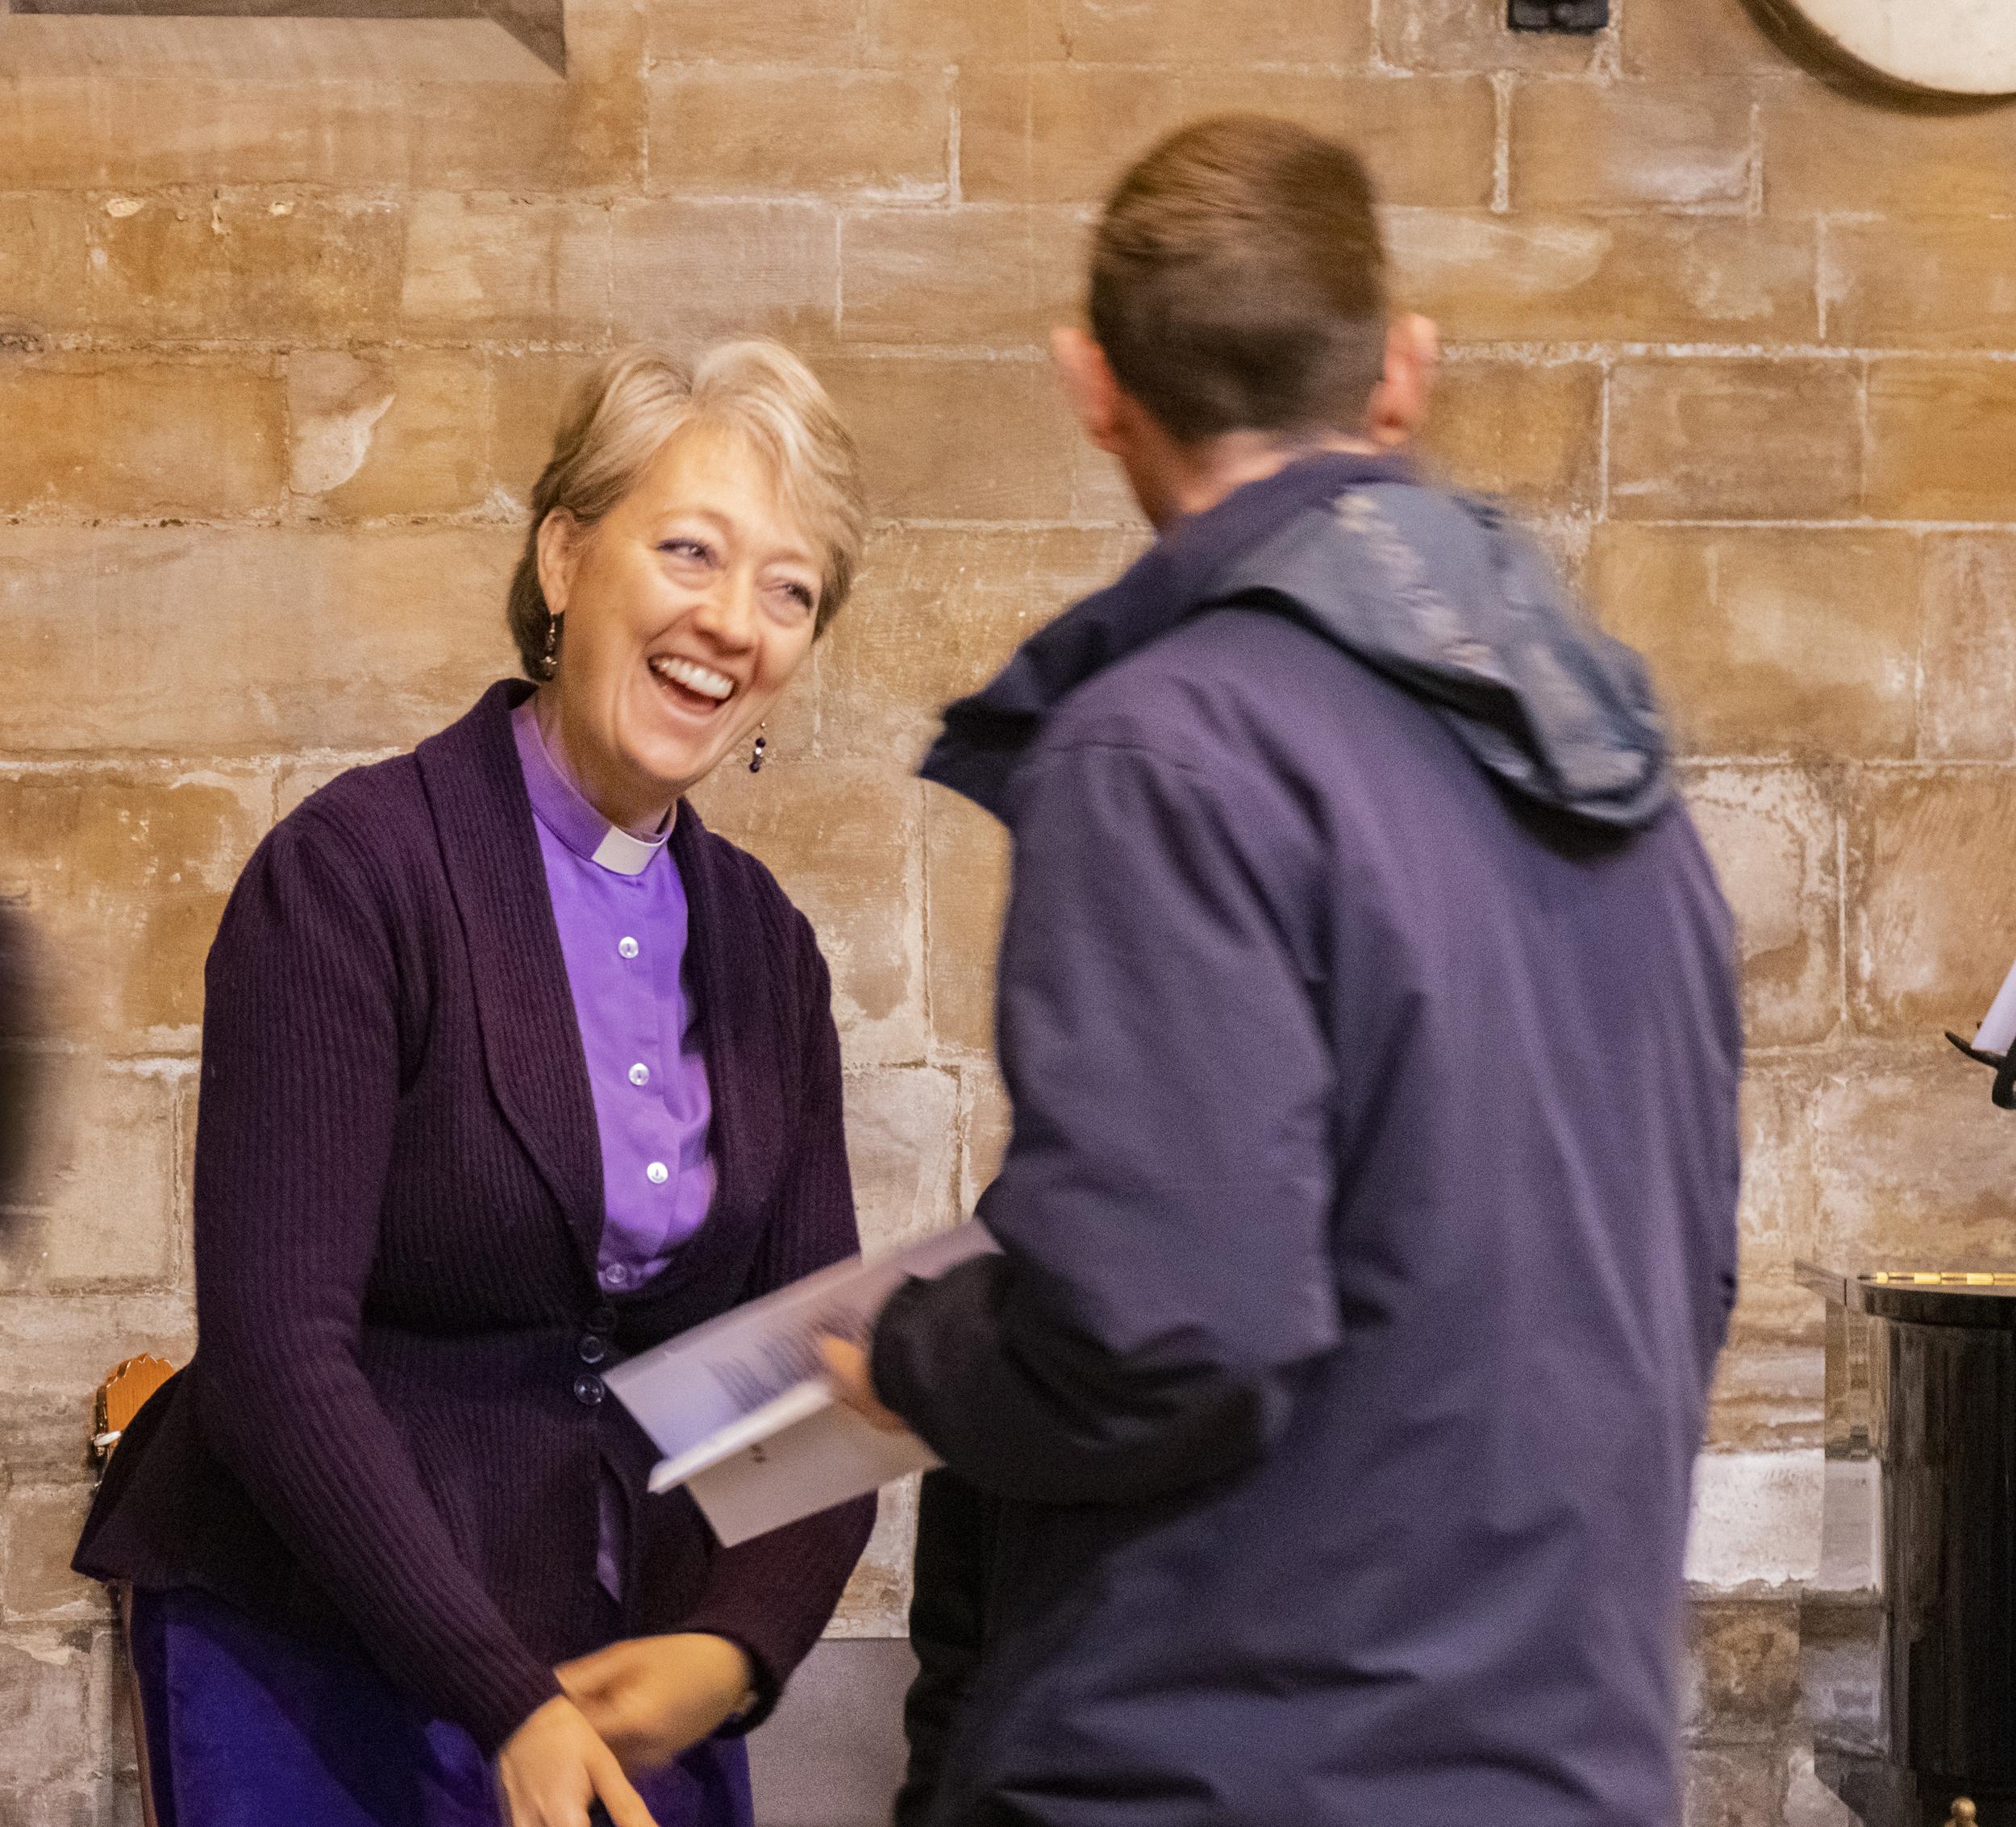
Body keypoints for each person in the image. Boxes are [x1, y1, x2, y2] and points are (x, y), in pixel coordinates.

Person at [826, 115, 1743, 1825]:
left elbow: (1168, 1329)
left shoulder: (1164, 746)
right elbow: (1679, 1287)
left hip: (1232, 1763)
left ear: (1091, 385)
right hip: (1562, 1762)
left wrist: (918, 1350)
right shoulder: (1617, 769)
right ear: (1400, 373)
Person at [74, 341, 877, 1827]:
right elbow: (275, 1356)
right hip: (320, 1647)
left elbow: (814, 1389)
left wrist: (733, 1645)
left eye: (789, 588)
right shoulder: (353, 875)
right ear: (565, 555)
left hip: (630, 1657)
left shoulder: (770, 948)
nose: (730, 620)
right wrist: (497, 1689)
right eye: (689, 549)